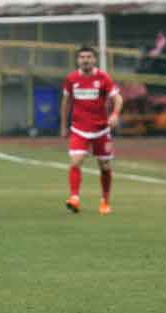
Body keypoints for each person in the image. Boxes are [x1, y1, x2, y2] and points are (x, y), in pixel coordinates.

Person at [60, 46, 123, 215]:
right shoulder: (71, 79)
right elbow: (66, 102)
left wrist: (115, 114)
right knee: (75, 161)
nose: (85, 60)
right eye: (82, 57)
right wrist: (63, 125)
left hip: (101, 130)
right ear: (77, 60)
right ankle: (74, 198)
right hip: (79, 129)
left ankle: (105, 201)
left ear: (94, 59)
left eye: (88, 57)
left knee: (104, 165)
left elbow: (118, 98)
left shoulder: (103, 77)